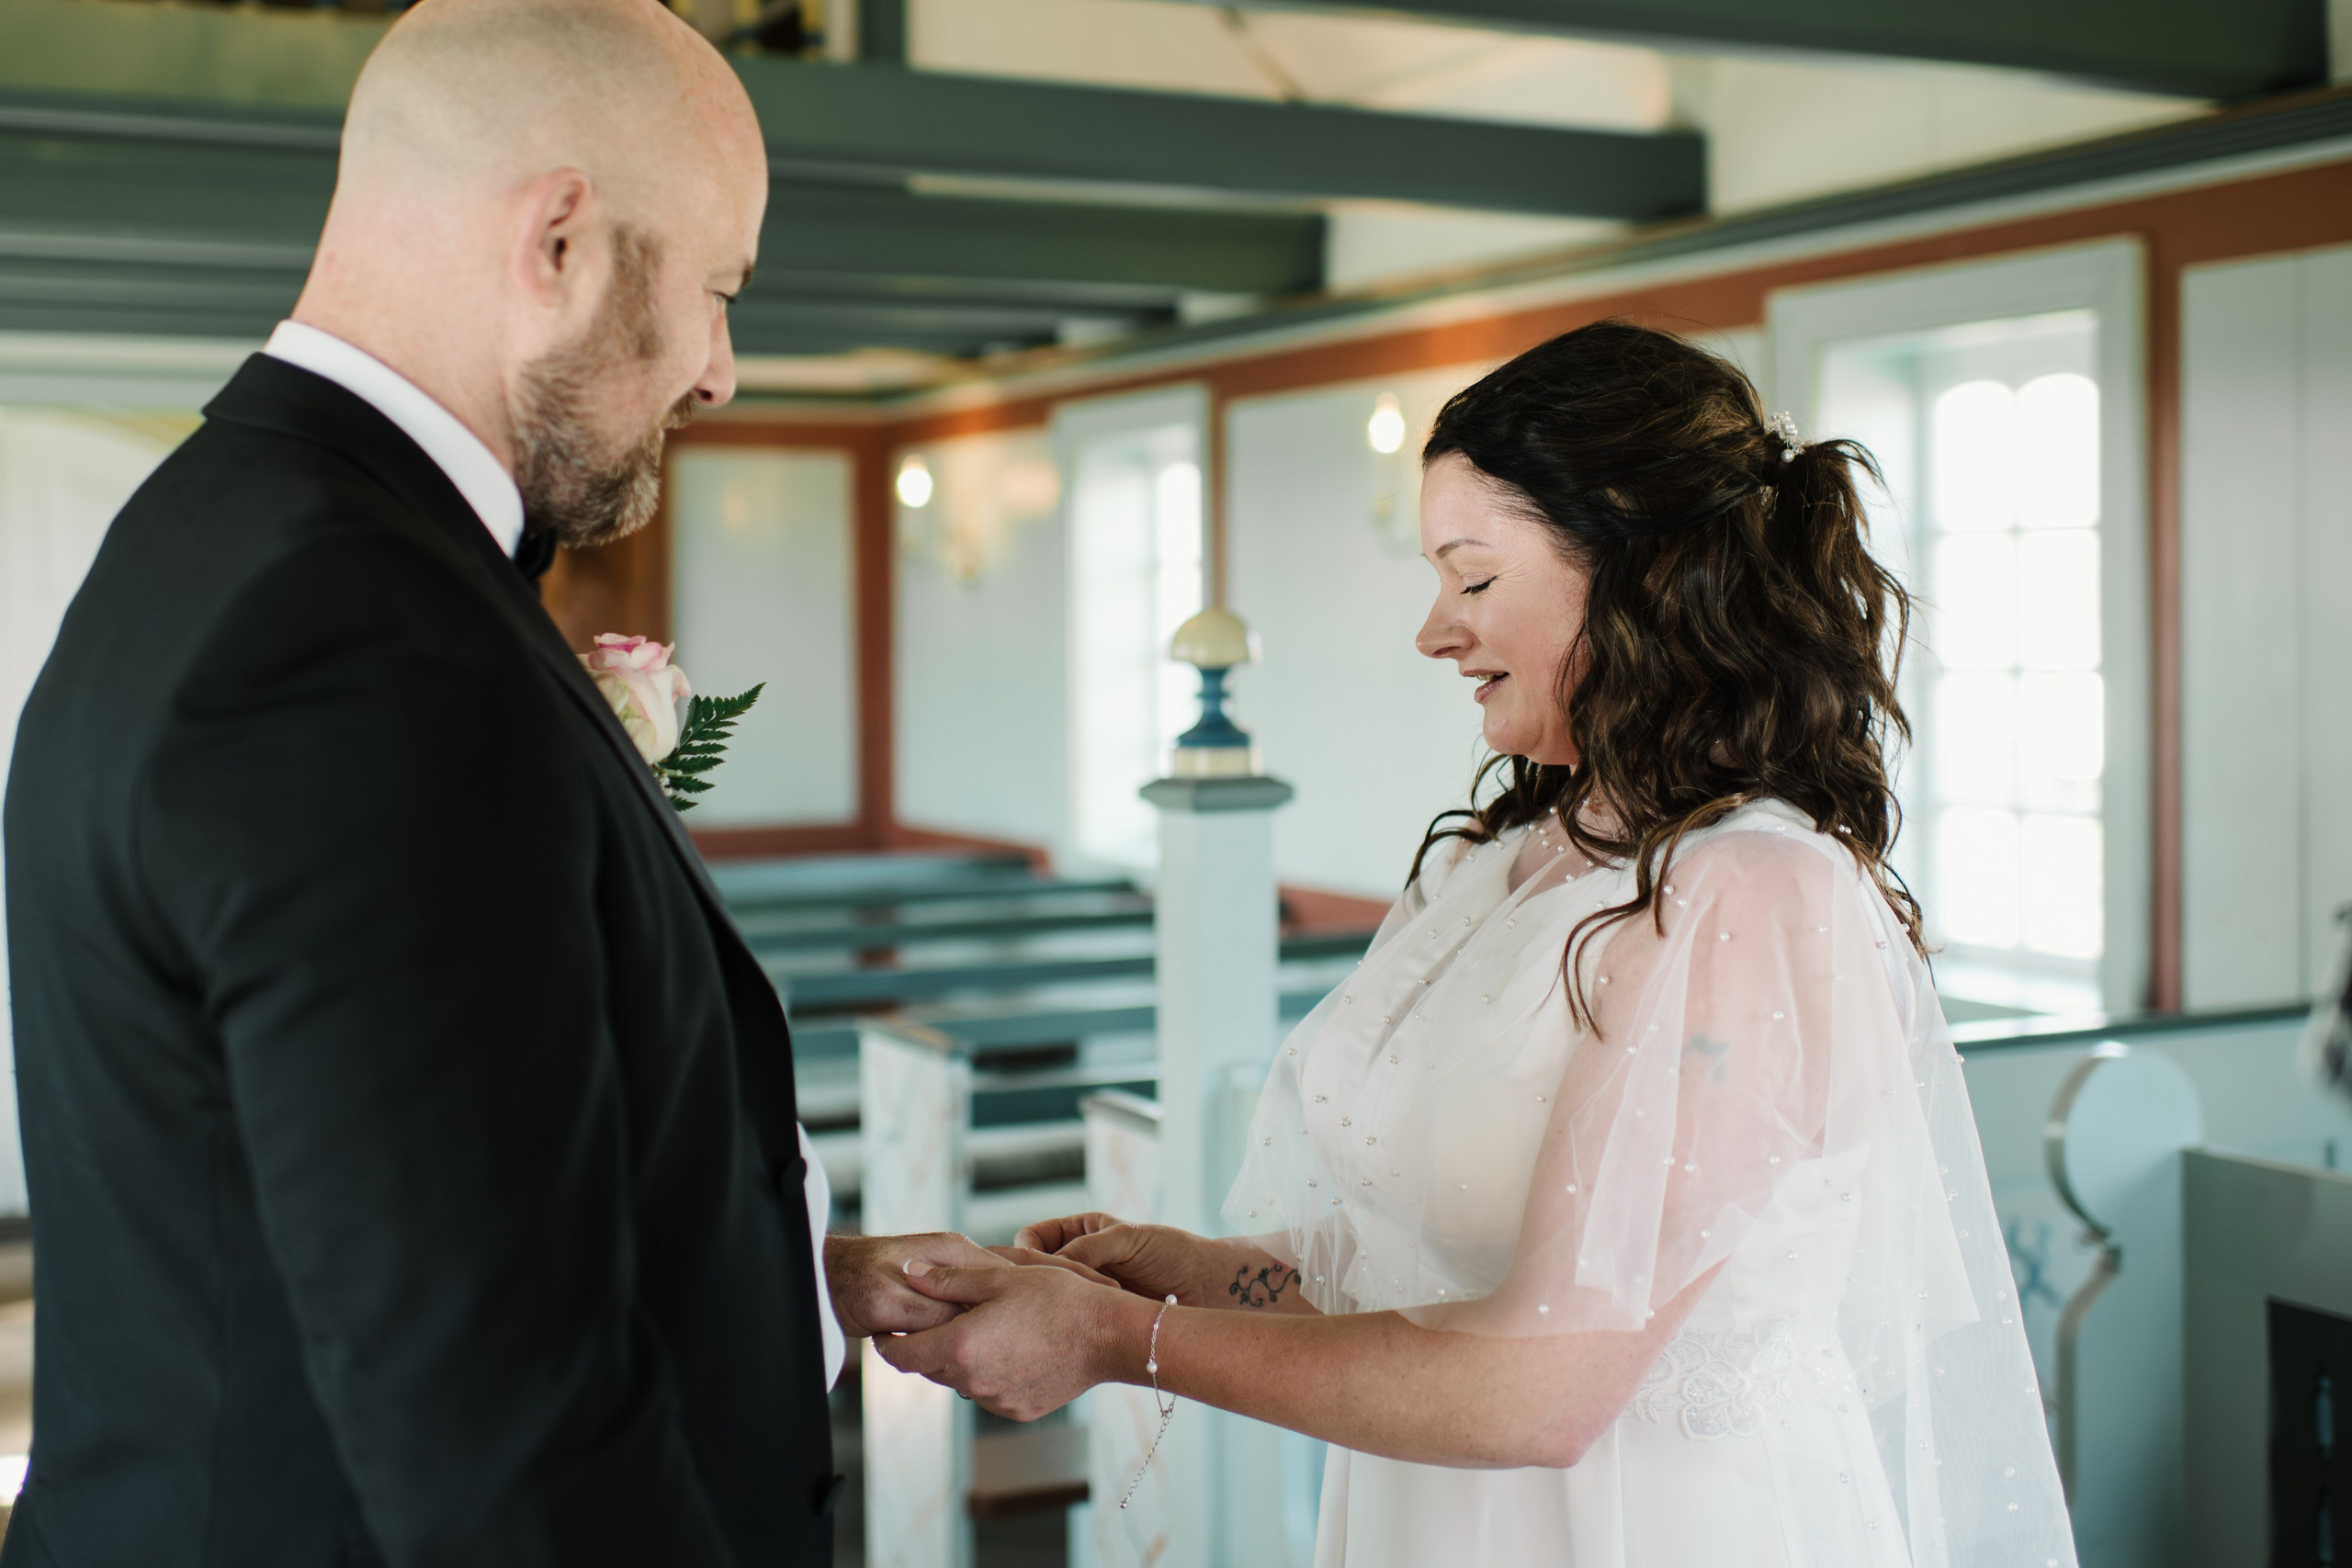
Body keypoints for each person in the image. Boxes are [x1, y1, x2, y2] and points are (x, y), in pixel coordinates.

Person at [0, 3, 989, 1563]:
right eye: (719, 292)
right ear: (561, 243)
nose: (722, 371)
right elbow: (499, 1431)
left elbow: (355, 1205)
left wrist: (788, 1278)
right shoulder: (360, 632)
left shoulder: (222, 529)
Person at [878, 321, 2076, 1567]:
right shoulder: (1506, 860)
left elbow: (1541, 1389)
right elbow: (1436, 1262)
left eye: (1477, 578)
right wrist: (1198, 1274)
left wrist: (1117, 1345)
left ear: (1641, 573)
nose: (1434, 631)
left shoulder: (1751, 894)